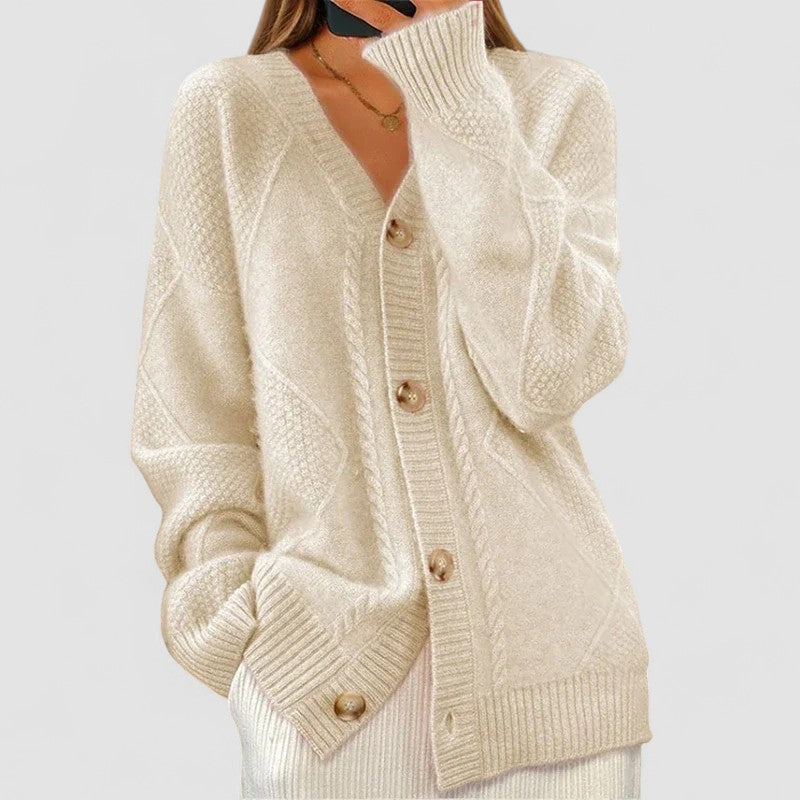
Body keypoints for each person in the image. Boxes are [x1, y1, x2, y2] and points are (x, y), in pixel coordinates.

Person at [129, 1, 652, 797]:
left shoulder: (556, 100)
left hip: (554, 690)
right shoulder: (230, 109)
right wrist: (237, 624)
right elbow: (192, 408)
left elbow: (548, 376)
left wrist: (456, 89)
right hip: (322, 681)